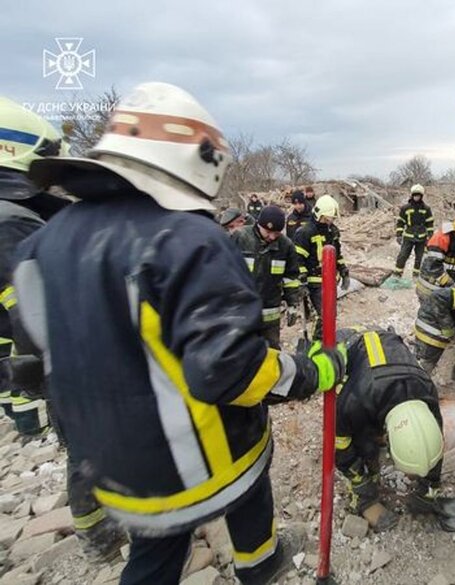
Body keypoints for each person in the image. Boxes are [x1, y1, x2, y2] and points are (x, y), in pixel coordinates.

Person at [13, 82, 347, 585]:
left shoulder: (42, 244)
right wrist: (311, 371)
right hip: (205, 458)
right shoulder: (190, 240)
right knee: (251, 496)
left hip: (114, 461)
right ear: (199, 162)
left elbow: (39, 353)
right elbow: (230, 370)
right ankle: (261, 567)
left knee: (154, 558)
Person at [0, 97, 127, 562]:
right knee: (87, 447)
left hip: (65, 359)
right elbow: (36, 315)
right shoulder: (11, 223)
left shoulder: (21, 217)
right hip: (69, 363)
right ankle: (100, 536)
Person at [334, 327, 455, 533]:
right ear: (386, 436)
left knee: (374, 439)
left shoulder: (427, 394)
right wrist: (363, 488)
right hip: (349, 344)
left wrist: (428, 489)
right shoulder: (353, 402)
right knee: (364, 445)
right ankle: (363, 499)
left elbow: (432, 444)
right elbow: (341, 450)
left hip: (388, 343)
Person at [243, 205, 302, 350]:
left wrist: (293, 304)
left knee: (271, 353)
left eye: (276, 233)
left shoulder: (285, 246)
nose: (272, 237)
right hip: (242, 312)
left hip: (270, 315)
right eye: (268, 232)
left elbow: (291, 277)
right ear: (258, 224)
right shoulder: (240, 238)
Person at [293, 194, 349, 339]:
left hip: (330, 280)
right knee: (326, 314)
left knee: (330, 313)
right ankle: (319, 342)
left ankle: (323, 339)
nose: (330, 221)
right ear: (320, 215)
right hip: (314, 281)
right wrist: (302, 281)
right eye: (328, 218)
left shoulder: (333, 231)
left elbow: (337, 254)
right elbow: (298, 259)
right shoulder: (305, 233)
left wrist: (343, 270)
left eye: (331, 218)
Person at [393, 184, 434, 278]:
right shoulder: (405, 208)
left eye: (418, 195)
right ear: (412, 195)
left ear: (421, 196)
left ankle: (416, 275)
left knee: (420, 258)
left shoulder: (426, 209)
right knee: (403, 255)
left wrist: (430, 236)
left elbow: (430, 223)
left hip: (422, 237)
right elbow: (400, 222)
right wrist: (399, 235)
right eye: (415, 195)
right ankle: (397, 273)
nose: (416, 197)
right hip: (408, 236)